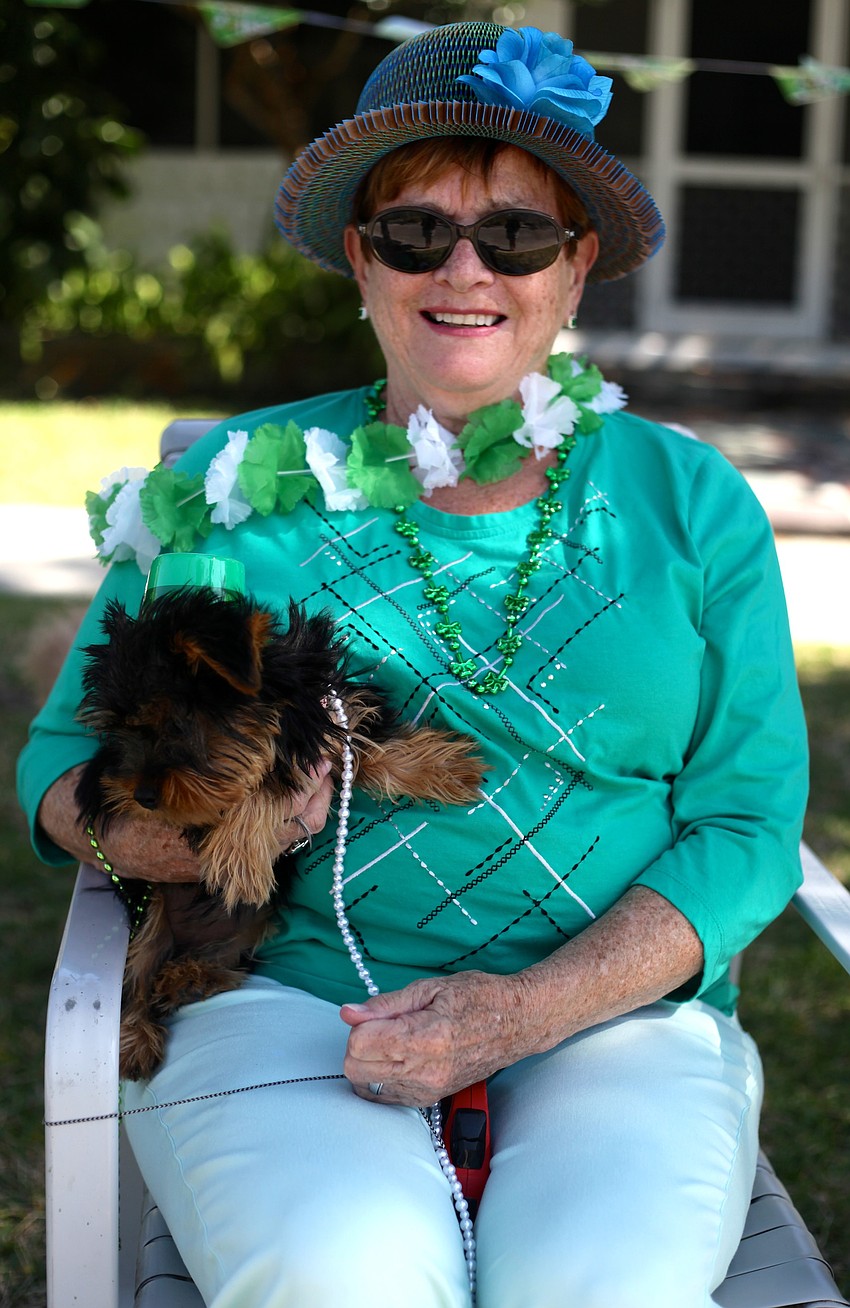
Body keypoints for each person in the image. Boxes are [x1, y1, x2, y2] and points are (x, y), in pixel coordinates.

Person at [19, 22, 808, 1308]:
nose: (464, 269)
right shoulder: (219, 499)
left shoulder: (690, 504)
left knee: (601, 1290)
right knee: (347, 1280)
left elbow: (746, 825)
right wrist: (199, 837)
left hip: (609, 1011)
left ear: (575, 265)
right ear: (360, 257)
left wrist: (520, 1014)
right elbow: (56, 776)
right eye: (413, 231)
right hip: (276, 997)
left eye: (515, 236)